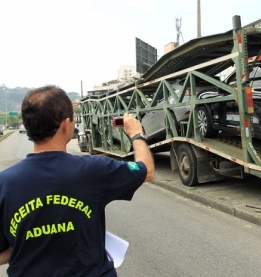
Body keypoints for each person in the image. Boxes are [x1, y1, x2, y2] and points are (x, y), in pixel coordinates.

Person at [0, 85, 154, 276]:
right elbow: (146, 171)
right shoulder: (93, 170)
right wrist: (136, 134)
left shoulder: (4, 183)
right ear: (66, 125)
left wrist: (32, 241)